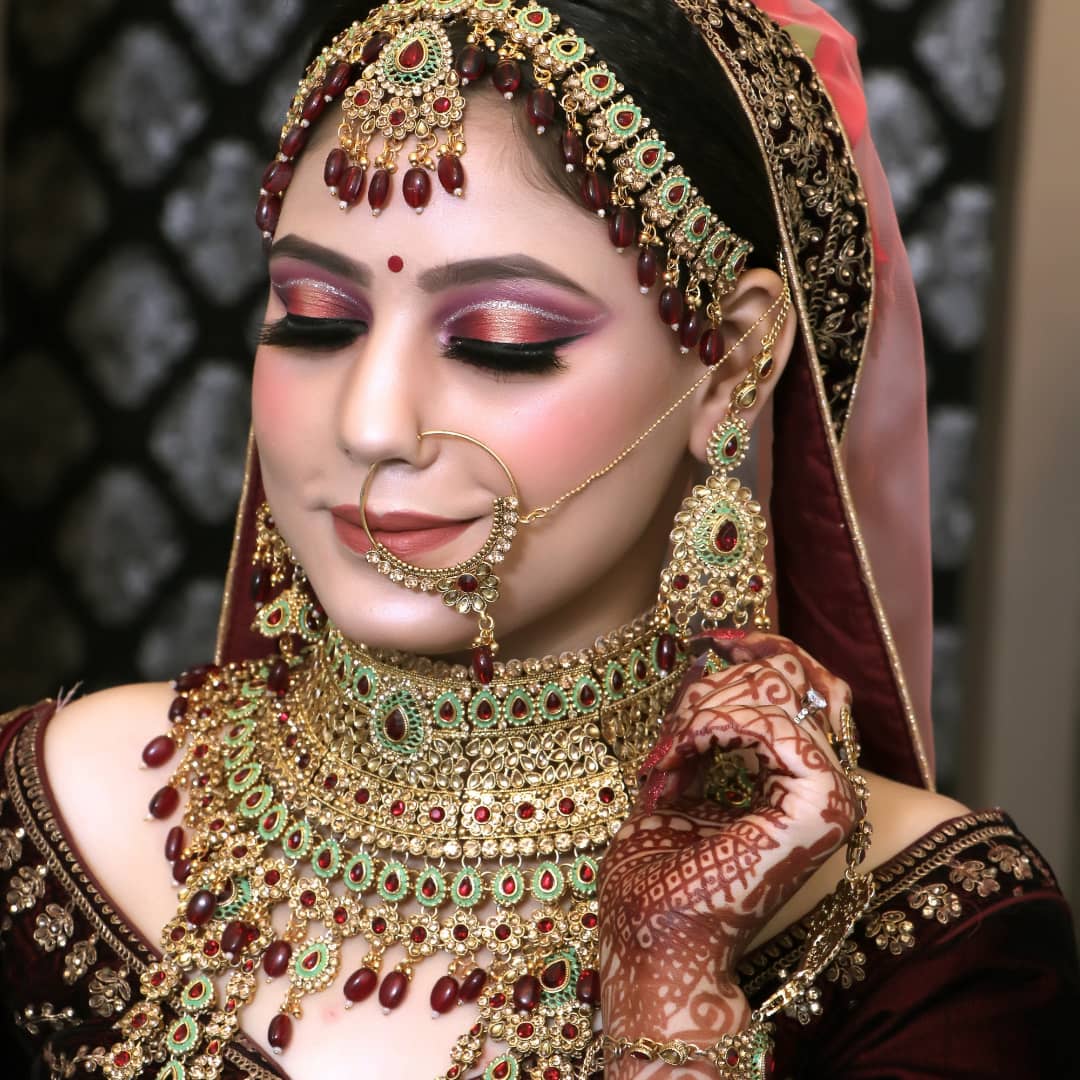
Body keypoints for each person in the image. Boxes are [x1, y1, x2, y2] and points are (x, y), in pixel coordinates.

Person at [1, 1, 1076, 1077]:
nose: (370, 423)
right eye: (314, 320)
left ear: (732, 362)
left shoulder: (931, 933)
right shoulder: (52, 814)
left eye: (500, 340)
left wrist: (669, 984)